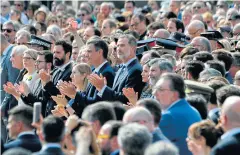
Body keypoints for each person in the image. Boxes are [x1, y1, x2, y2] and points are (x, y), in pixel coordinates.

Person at [153, 73, 201, 155]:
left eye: (160, 90)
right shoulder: (192, 110)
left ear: (175, 94)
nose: (155, 93)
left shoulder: (169, 117)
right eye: (155, 89)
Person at [89, 34, 145, 104]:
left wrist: (103, 88)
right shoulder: (121, 68)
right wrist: (102, 88)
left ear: (133, 48)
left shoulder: (135, 70)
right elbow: (114, 93)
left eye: (122, 45)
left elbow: (126, 99)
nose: (118, 49)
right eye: (117, 46)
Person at [39, 40, 73, 116]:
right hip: (49, 114)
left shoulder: (72, 72)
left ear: (67, 54)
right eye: (54, 52)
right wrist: (44, 83)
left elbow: (62, 97)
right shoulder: (55, 70)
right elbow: (47, 96)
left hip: (62, 116)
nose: (54, 55)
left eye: (58, 53)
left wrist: (48, 82)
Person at [0, 33, 20, 103]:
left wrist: (3, 107)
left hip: (7, 105)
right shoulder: (3, 54)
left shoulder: (11, 55)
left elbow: (12, 84)